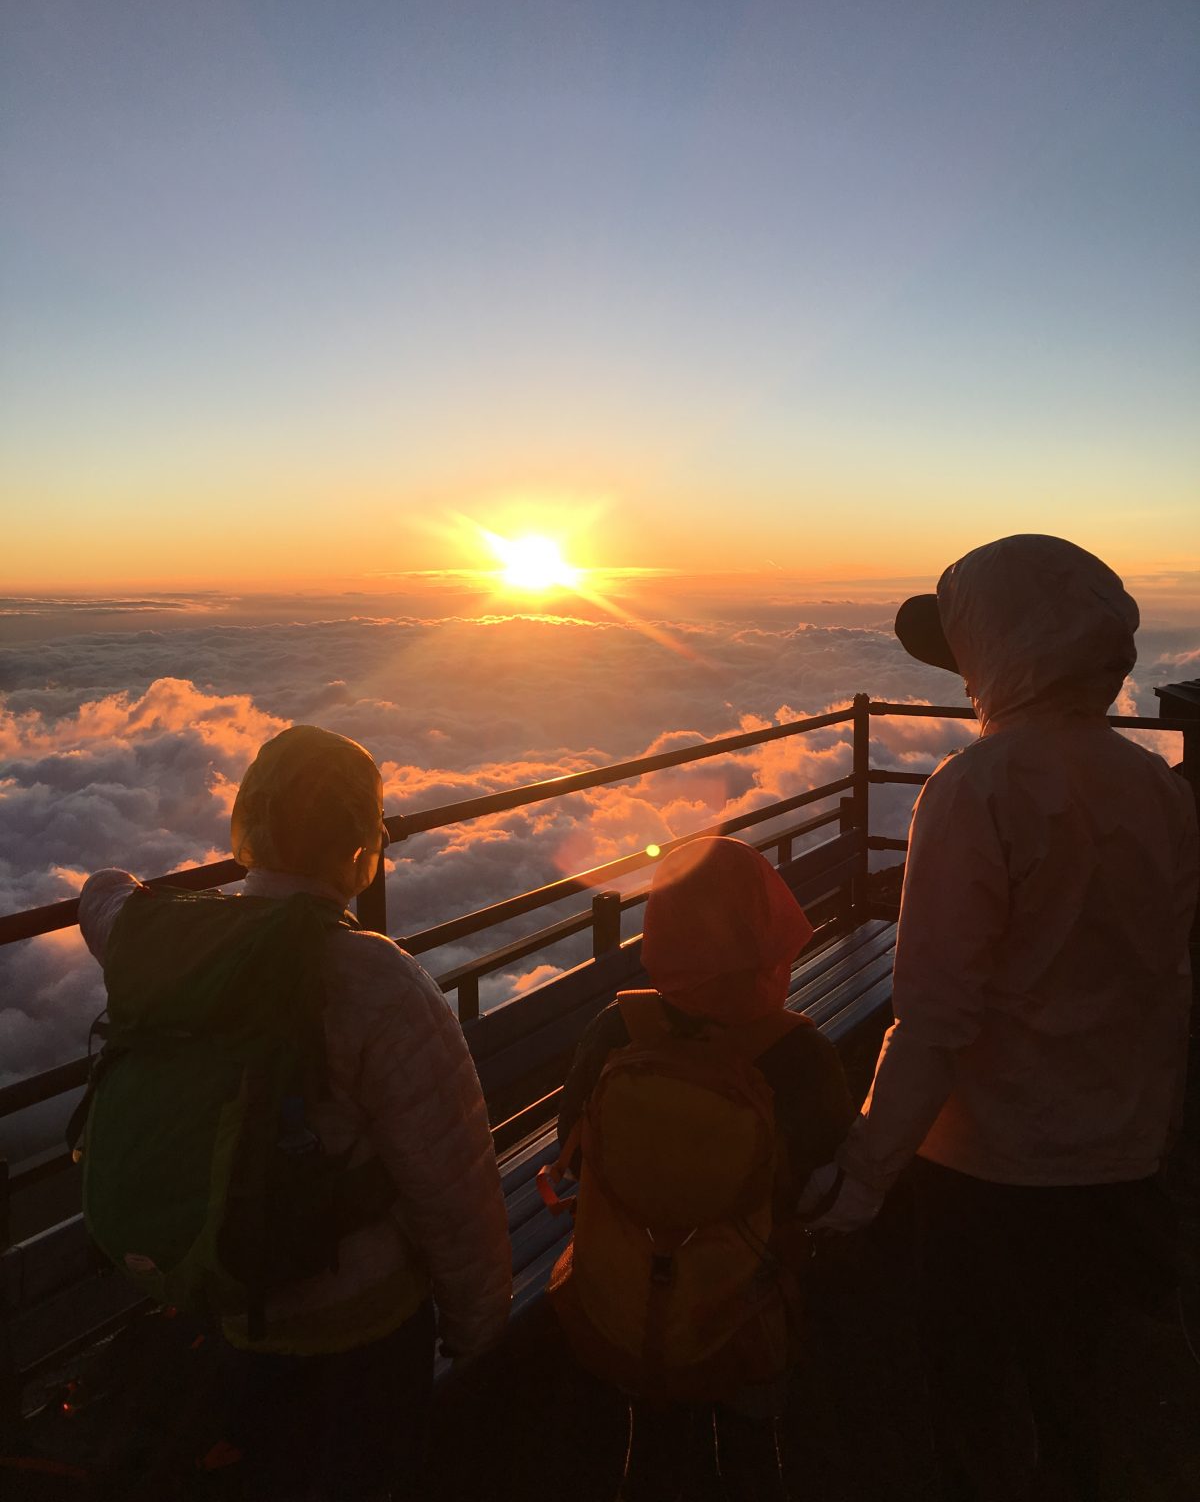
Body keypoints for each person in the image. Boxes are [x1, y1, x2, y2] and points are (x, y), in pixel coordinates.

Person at [803, 535, 1199, 1501]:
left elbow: (934, 1020)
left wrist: (860, 1180)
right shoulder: (1158, 788)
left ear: (1005, 648)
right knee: (1077, 1390)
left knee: (972, 1394)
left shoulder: (975, 789)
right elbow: (1164, 977)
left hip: (989, 1169)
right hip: (1118, 1154)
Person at [78, 724, 511, 1502]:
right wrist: (477, 1330)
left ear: (250, 823)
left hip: (220, 1304)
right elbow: (453, 1187)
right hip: (360, 1337)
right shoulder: (380, 981)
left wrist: (154, 899)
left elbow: (102, 896)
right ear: (360, 846)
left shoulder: (172, 946)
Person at [548, 836, 851, 1501]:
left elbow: (572, 1150)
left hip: (628, 1305)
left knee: (654, 1451)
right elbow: (830, 1188)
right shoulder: (800, 1056)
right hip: (744, 1315)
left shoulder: (616, 1028)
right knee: (752, 1456)